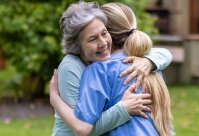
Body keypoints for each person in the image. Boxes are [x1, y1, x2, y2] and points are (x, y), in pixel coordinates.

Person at [50, 1, 173, 136]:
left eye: (104, 33)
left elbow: (164, 54)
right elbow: (81, 127)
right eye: (92, 39)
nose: (103, 43)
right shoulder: (72, 67)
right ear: (77, 46)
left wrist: (149, 61)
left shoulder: (138, 63)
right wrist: (55, 99)